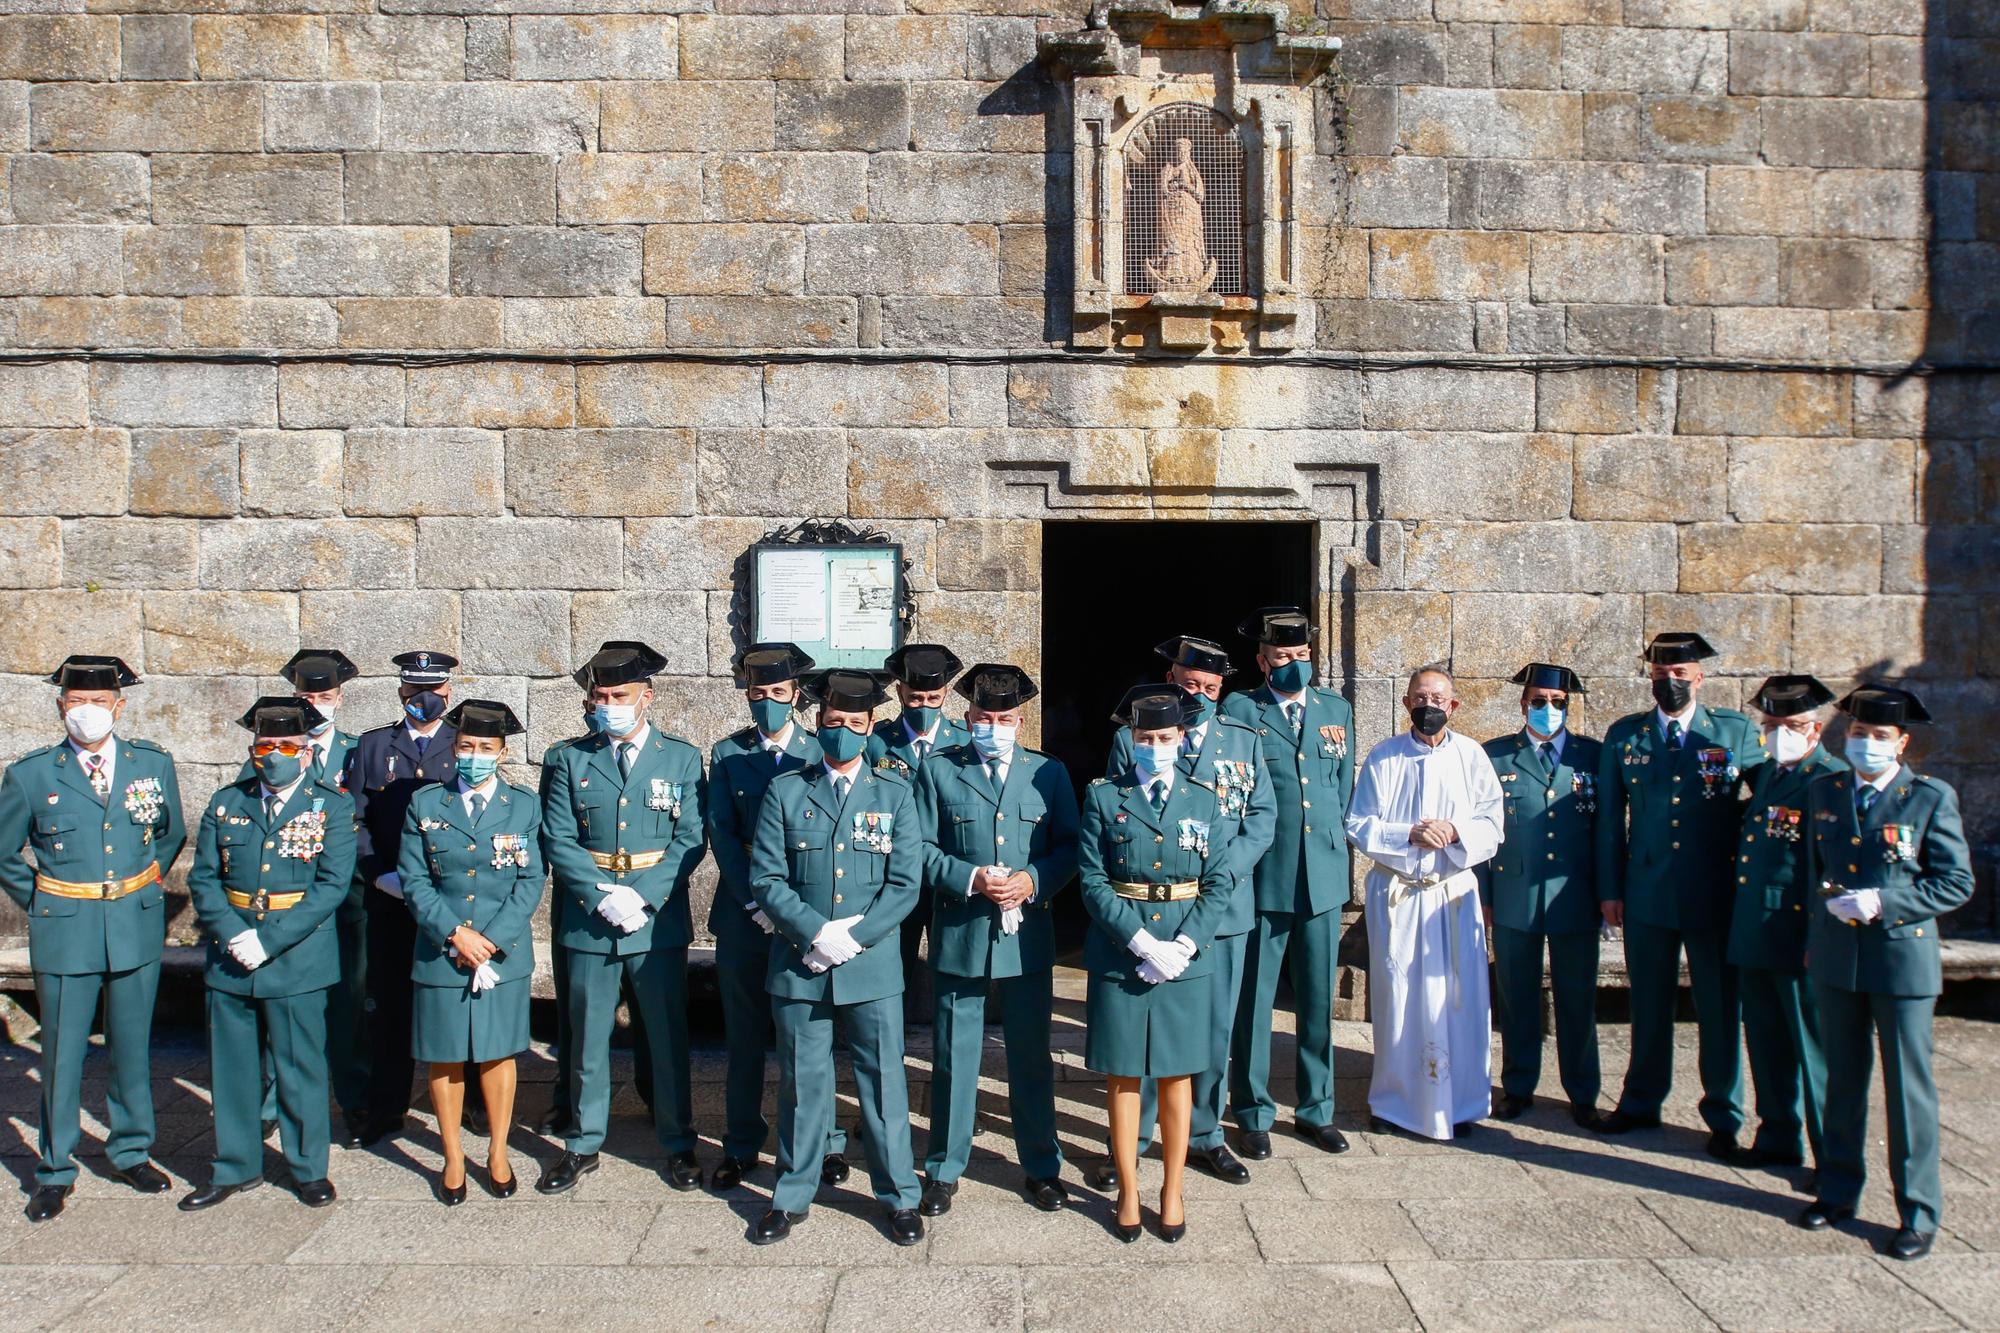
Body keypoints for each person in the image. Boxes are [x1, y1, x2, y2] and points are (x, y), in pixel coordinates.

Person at [0, 656, 185, 1223]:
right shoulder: (31, 775)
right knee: (61, 1052)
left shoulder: (150, 765)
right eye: (76, 702)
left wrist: (141, 886)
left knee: (131, 1046)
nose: (87, 713)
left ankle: (131, 1149)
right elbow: (6, 852)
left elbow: (170, 832)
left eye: (98, 703)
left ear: (118, 707)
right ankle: (55, 1168)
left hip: (132, 921)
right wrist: (44, 900)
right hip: (66, 929)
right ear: (60, 707)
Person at [1796, 685, 1974, 1261]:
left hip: (1901, 959)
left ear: (1901, 743)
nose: (1865, 744)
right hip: (1836, 957)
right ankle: (1839, 1188)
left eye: (1877, 737)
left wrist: (1885, 904)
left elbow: (1955, 881)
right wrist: (1825, 916)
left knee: (1907, 1090)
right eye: (1857, 734)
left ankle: (1917, 1211)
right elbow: (1814, 872)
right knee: (1843, 1080)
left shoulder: (1927, 798)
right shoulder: (1826, 792)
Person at [748, 669, 924, 1247]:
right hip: (801, 964)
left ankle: (898, 1195)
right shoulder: (786, 791)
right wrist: (814, 933)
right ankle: (791, 1194)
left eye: (853, 725)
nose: (842, 734)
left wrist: (855, 937)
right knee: (802, 1082)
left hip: (870, 967)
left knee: (883, 1082)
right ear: (817, 725)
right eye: (832, 724)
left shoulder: (895, 794)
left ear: (871, 727)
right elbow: (768, 878)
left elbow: (904, 884)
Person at [1099, 639, 1274, 1187]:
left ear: (1222, 692)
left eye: (1209, 688)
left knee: (1213, 1026)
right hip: (1149, 917)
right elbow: (1116, 819)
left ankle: (1204, 1134)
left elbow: (1261, 818)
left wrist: (1214, 877)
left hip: (1220, 912)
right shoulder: (1135, 735)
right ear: (1170, 676)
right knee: (1144, 1025)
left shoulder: (1243, 741)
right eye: (1188, 683)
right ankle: (1136, 1136)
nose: (1196, 693)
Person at [538, 641, 708, 1195]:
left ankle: (678, 1139)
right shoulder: (568, 757)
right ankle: (582, 1142)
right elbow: (557, 837)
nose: (608, 704)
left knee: (665, 1033)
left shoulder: (680, 757)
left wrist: (644, 896)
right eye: (600, 696)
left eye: (620, 695)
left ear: (646, 697)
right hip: (590, 917)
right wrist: (598, 894)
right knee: (586, 1035)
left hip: (653, 919)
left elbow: (689, 839)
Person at [911, 663, 1079, 1216]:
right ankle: (943, 1167)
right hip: (962, 930)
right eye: (984, 717)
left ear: (1020, 721)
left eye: (1004, 718)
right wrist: (969, 877)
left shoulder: (1047, 773)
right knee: (955, 1055)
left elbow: (1070, 846)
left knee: (1031, 1055)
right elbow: (917, 848)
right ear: (968, 718)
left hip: (1026, 935)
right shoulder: (939, 771)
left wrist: (1034, 879)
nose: (994, 726)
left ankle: (1041, 1165)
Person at [1594, 632, 1766, 1158]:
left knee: (1718, 1007)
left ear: (1700, 678)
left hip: (1713, 892)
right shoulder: (1627, 736)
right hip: (1647, 891)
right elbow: (1608, 822)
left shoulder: (1733, 733)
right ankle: (1641, 1101)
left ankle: (1723, 1115)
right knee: (1649, 1001)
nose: (1669, 683)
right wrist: (1610, 889)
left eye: (1680, 675)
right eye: (1660, 675)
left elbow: (1768, 804)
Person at [180, 697, 355, 1211]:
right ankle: (235, 1165)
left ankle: (307, 1168)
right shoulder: (226, 802)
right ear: (253, 751)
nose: (274, 754)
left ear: (305, 753)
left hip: (296, 953)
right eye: (264, 746)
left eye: (285, 746)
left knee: (299, 1066)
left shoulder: (331, 805)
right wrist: (232, 933)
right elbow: (204, 878)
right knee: (231, 1068)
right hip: (230, 951)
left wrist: (269, 939)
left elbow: (331, 886)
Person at [1078, 687, 1233, 1243]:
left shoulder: (1205, 799)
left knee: (1176, 1075)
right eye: (1145, 738)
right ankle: (1127, 1185)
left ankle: (1172, 1187)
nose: (1154, 747)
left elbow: (1218, 881)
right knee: (1123, 1075)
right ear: (1131, 741)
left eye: (1164, 738)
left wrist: (1185, 945)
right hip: (1125, 953)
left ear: (1181, 739)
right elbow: (1093, 881)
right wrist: (1141, 942)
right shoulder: (1102, 797)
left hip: (1185, 956)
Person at [706, 642, 849, 1191]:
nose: (767, 702)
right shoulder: (727, 754)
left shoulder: (820, 750)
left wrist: (793, 912)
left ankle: (826, 1142)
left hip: (807, 911)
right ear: (747, 695)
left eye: (778, 693)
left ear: (796, 697)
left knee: (812, 1035)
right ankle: (742, 1142)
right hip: (746, 914)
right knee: (743, 1037)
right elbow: (722, 833)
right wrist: (754, 903)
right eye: (758, 693)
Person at [1346, 665, 1504, 1140]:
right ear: (1406, 703)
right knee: (1398, 998)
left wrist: (1456, 831)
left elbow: (1493, 823)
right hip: (1399, 895)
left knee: (1460, 999)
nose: (1428, 705)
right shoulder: (1385, 756)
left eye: (1438, 699)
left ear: (1453, 706)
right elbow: (1358, 823)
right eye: (1420, 697)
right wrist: (1408, 833)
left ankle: (1462, 1102)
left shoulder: (1472, 757)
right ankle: (1395, 1103)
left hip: (1450, 894)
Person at [1220, 606, 1355, 1159]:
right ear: (1262, 660)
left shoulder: (1335, 709)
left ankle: (1316, 1108)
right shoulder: (1242, 709)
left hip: (1321, 876)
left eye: (1302, 657)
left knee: (1317, 998)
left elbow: (1341, 787)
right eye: (1283, 658)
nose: (1294, 665)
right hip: (1265, 875)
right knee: (1254, 999)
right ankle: (1252, 1109)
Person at [399, 700, 544, 1205]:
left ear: (502, 753)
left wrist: (490, 941)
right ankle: (454, 1156)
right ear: (453, 749)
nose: (474, 756)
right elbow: (415, 880)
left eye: (485, 748)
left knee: (497, 1053)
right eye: (466, 747)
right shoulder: (424, 804)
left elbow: (530, 880)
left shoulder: (523, 806)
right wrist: (455, 934)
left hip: (500, 952)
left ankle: (498, 1152)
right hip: (442, 949)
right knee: (444, 1057)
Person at [237, 649, 367, 1147]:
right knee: (278, 1003)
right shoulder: (270, 747)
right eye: (306, 695)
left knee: (348, 1002)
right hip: (283, 900)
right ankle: (274, 1101)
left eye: (324, 695)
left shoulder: (356, 751)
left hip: (345, 896)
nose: (315, 703)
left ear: (339, 698)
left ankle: (353, 1097)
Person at [1477, 663, 1607, 1127]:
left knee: (1577, 998)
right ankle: (1518, 1085)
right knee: (1516, 996)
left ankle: (1584, 1092)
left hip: (1575, 895)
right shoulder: (1495, 757)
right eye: (1538, 701)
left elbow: (1609, 832)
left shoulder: (1593, 757)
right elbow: (1483, 835)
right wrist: (1484, 894)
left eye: (1557, 703)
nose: (1547, 710)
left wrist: (1608, 892)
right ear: (1523, 703)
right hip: (1514, 894)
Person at [347, 649, 462, 1147]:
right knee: (389, 1005)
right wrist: (377, 874)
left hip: (450, 899)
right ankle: (386, 1107)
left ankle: (475, 1103)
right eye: (414, 693)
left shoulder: (466, 742)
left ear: (448, 694)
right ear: (400, 693)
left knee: (458, 999)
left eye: (433, 693)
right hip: (390, 898)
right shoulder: (373, 747)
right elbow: (353, 820)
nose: (424, 701)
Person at [1732, 675, 1844, 1182]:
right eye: (1772, 725)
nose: (1781, 734)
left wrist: (1818, 940)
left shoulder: (1830, 781)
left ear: (1815, 730)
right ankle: (1777, 1135)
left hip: (1799, 935)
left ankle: (1831, 1159)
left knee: (1812, 1052)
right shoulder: (1772, 775)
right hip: (1757, 930)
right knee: (1767, 1041)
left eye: (1793, 726)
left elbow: (1834, 871)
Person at [869, 643, 968, 1016]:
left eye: (933, 698)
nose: (924, 706)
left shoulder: (963, 741)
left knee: (955, 964)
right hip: (893, 873)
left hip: (946, 868)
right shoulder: (877, 742)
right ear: (899, 694)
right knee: (894, 962)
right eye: (915, 698)